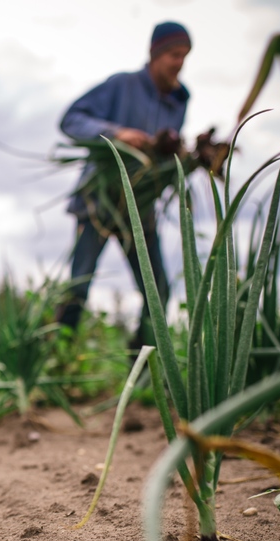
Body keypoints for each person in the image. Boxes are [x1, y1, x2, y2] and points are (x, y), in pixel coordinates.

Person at [57, 21, 192, 349]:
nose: (180, 63)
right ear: (155, 53)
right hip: (98, 203)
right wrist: (116, 132)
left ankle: (143, 365)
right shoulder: (122, 86)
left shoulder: (179, 101)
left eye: (185, 56)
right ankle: (58, 356)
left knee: (157, 289)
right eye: (174, 54)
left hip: (140, 207)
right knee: (79, 284)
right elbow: (72, 119)